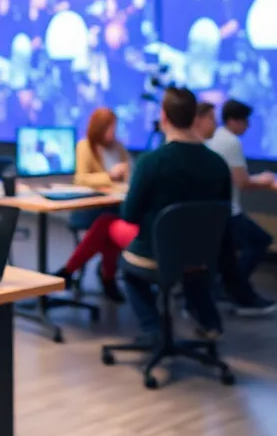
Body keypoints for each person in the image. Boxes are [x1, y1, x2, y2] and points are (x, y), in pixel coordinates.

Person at [120, 87, 230, 340]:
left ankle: (153, 329)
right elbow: (222, 213)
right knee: (188, 263)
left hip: (156, 253)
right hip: (200, 254)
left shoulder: (151, 162)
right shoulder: (218, 164)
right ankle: (209, 322)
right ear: (195, 118)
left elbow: (129, 215)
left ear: (164, 117)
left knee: (129, 270)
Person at [205, 99, 277, 315]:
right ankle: (232, 286)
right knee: (259, 241)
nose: (247, 126)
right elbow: (243, 182)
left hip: (215, 209)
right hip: (229, 210)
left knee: (226, 254)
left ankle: (228, 286)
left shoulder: (215, 139)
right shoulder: (231, 143)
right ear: (233, 121)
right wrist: (264, 180)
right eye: (245, 121)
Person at [54, 108, 134, 301]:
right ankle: (108, 278)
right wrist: (110, 176)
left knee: (108, 224)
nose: (113, 132)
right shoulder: (85, 146)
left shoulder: (118, 147)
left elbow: (130, 173)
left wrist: (125, 174)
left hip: (113, 205)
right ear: (100, 127)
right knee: (106, 225)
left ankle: (69, 270)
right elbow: (81, 179)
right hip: (89, 208)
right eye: (110, 127)